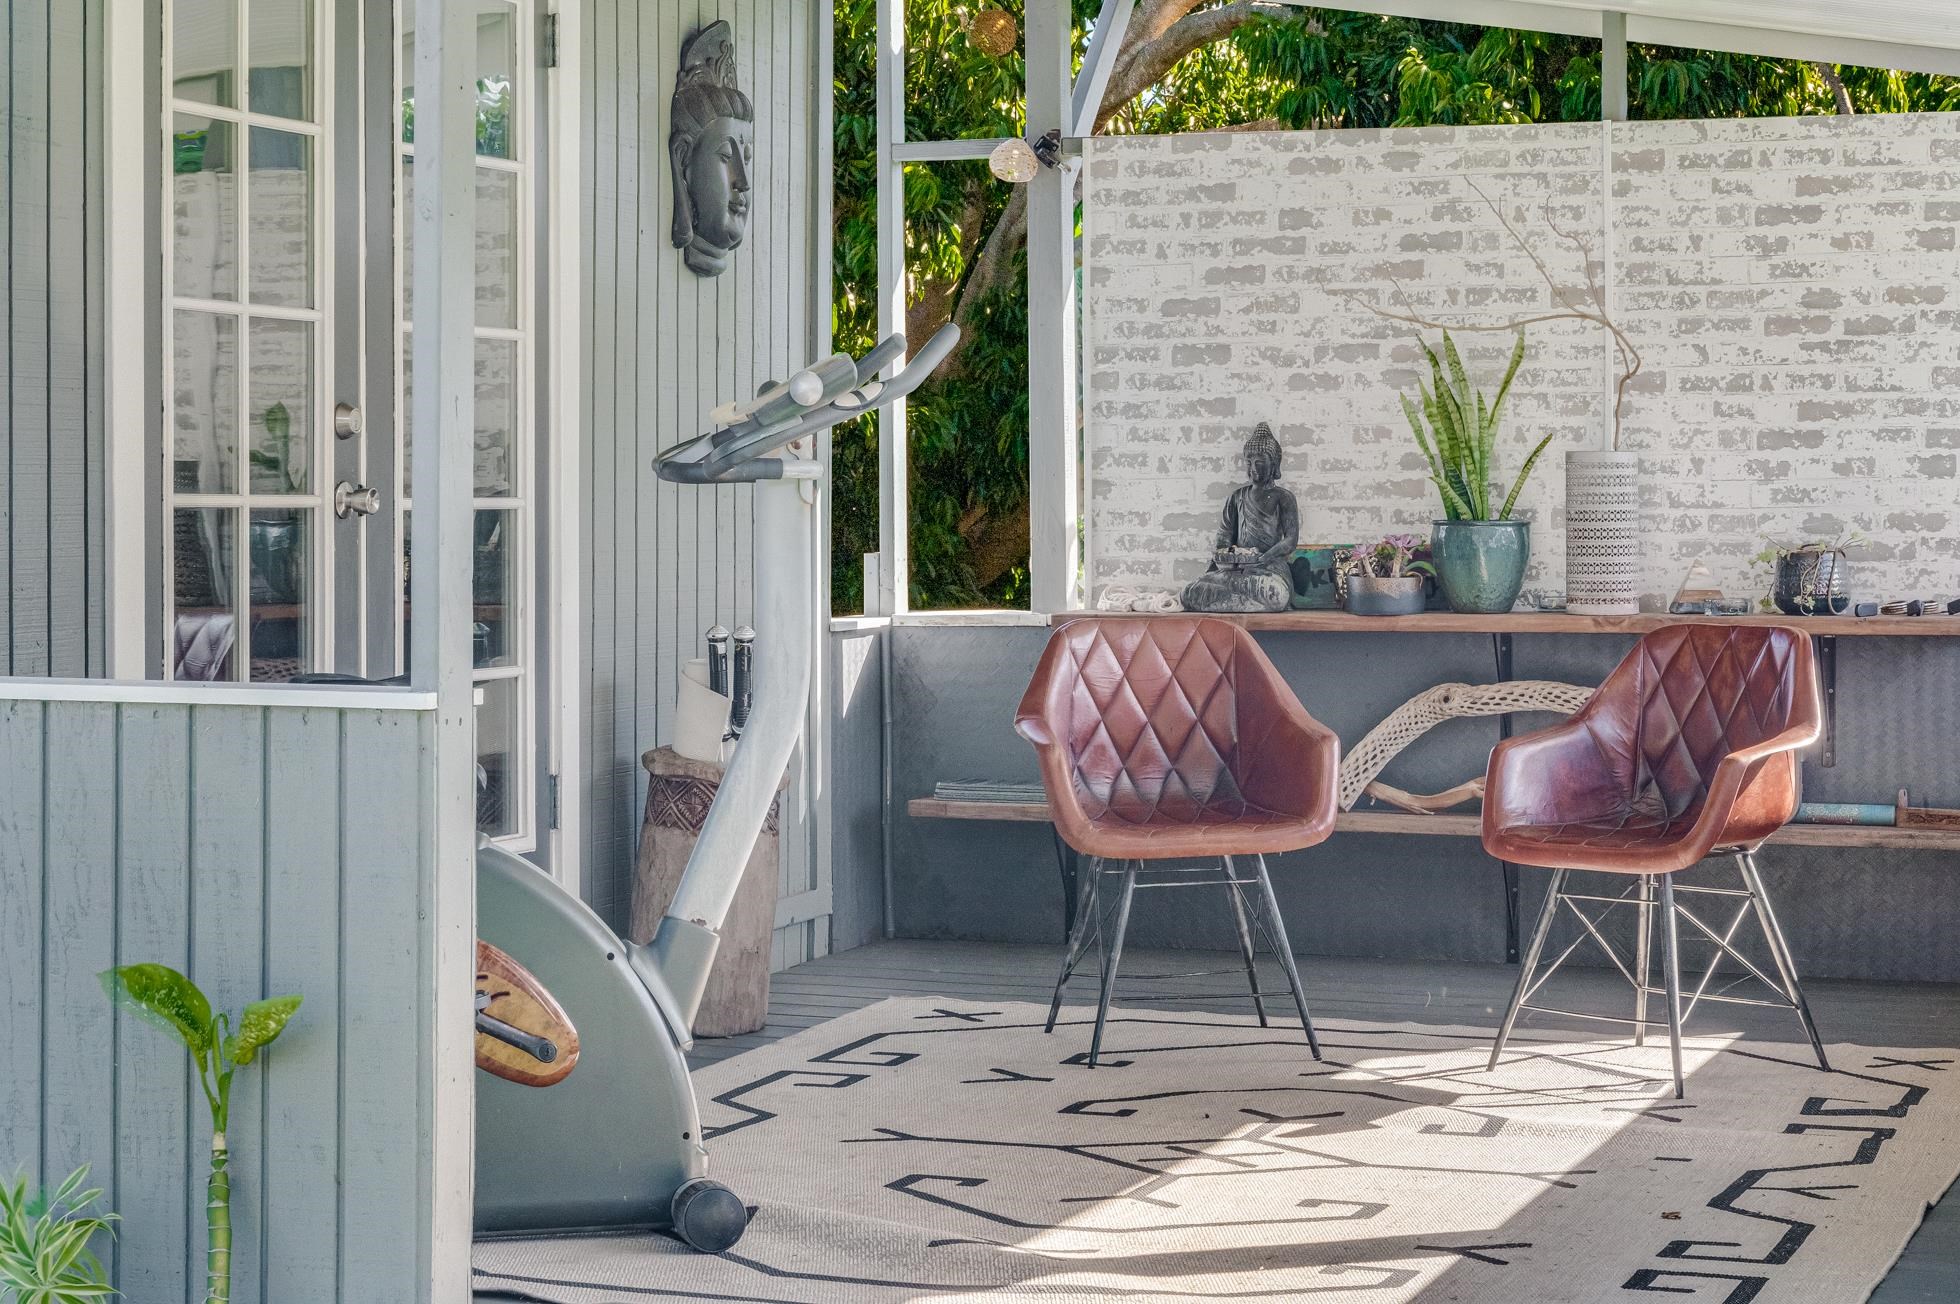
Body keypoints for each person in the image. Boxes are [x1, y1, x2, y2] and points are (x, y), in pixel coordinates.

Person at [1180, 422, 1300, 613]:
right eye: (1249, 462)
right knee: (1189, 592)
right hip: (1234, 571)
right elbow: (1224, 537)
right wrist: (1226, 558)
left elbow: (1291, 541)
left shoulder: (1283, 497)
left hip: (1268, 570)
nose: (1253, 469)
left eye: (1259, 462)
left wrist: (1264, 557)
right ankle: (1243, 601)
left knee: (1276, 594)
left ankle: (1231, 602)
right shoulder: (1237, 497)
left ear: (1274, 464)